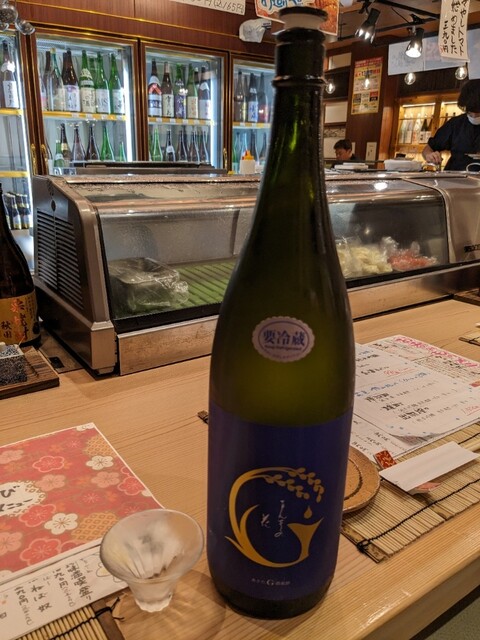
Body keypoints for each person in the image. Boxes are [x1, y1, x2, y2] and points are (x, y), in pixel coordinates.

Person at [422, 79, 480, 170]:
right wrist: (430, 155)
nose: (474, 116)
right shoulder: (455, 124)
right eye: (470, 113)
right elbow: (428, 149)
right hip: (455, 175)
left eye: (478, 113)